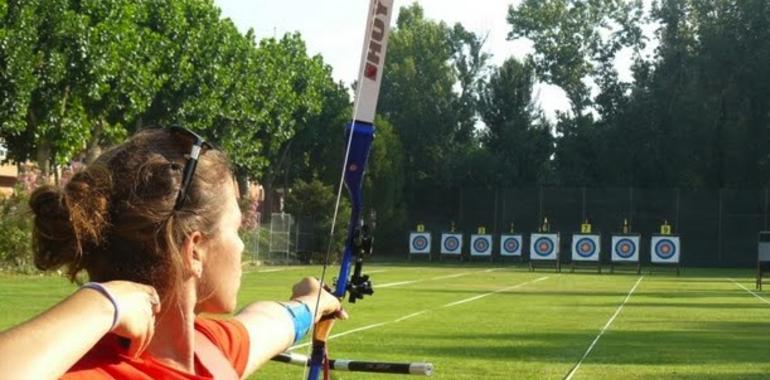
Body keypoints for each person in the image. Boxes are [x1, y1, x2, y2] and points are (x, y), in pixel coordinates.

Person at [0, 127, 344, 379]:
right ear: (193, 249)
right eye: (236, 230)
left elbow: (267, 321)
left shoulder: (207, 350)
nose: (241, 246)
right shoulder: (94, 372)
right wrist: (103, 302)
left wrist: (310, 303)